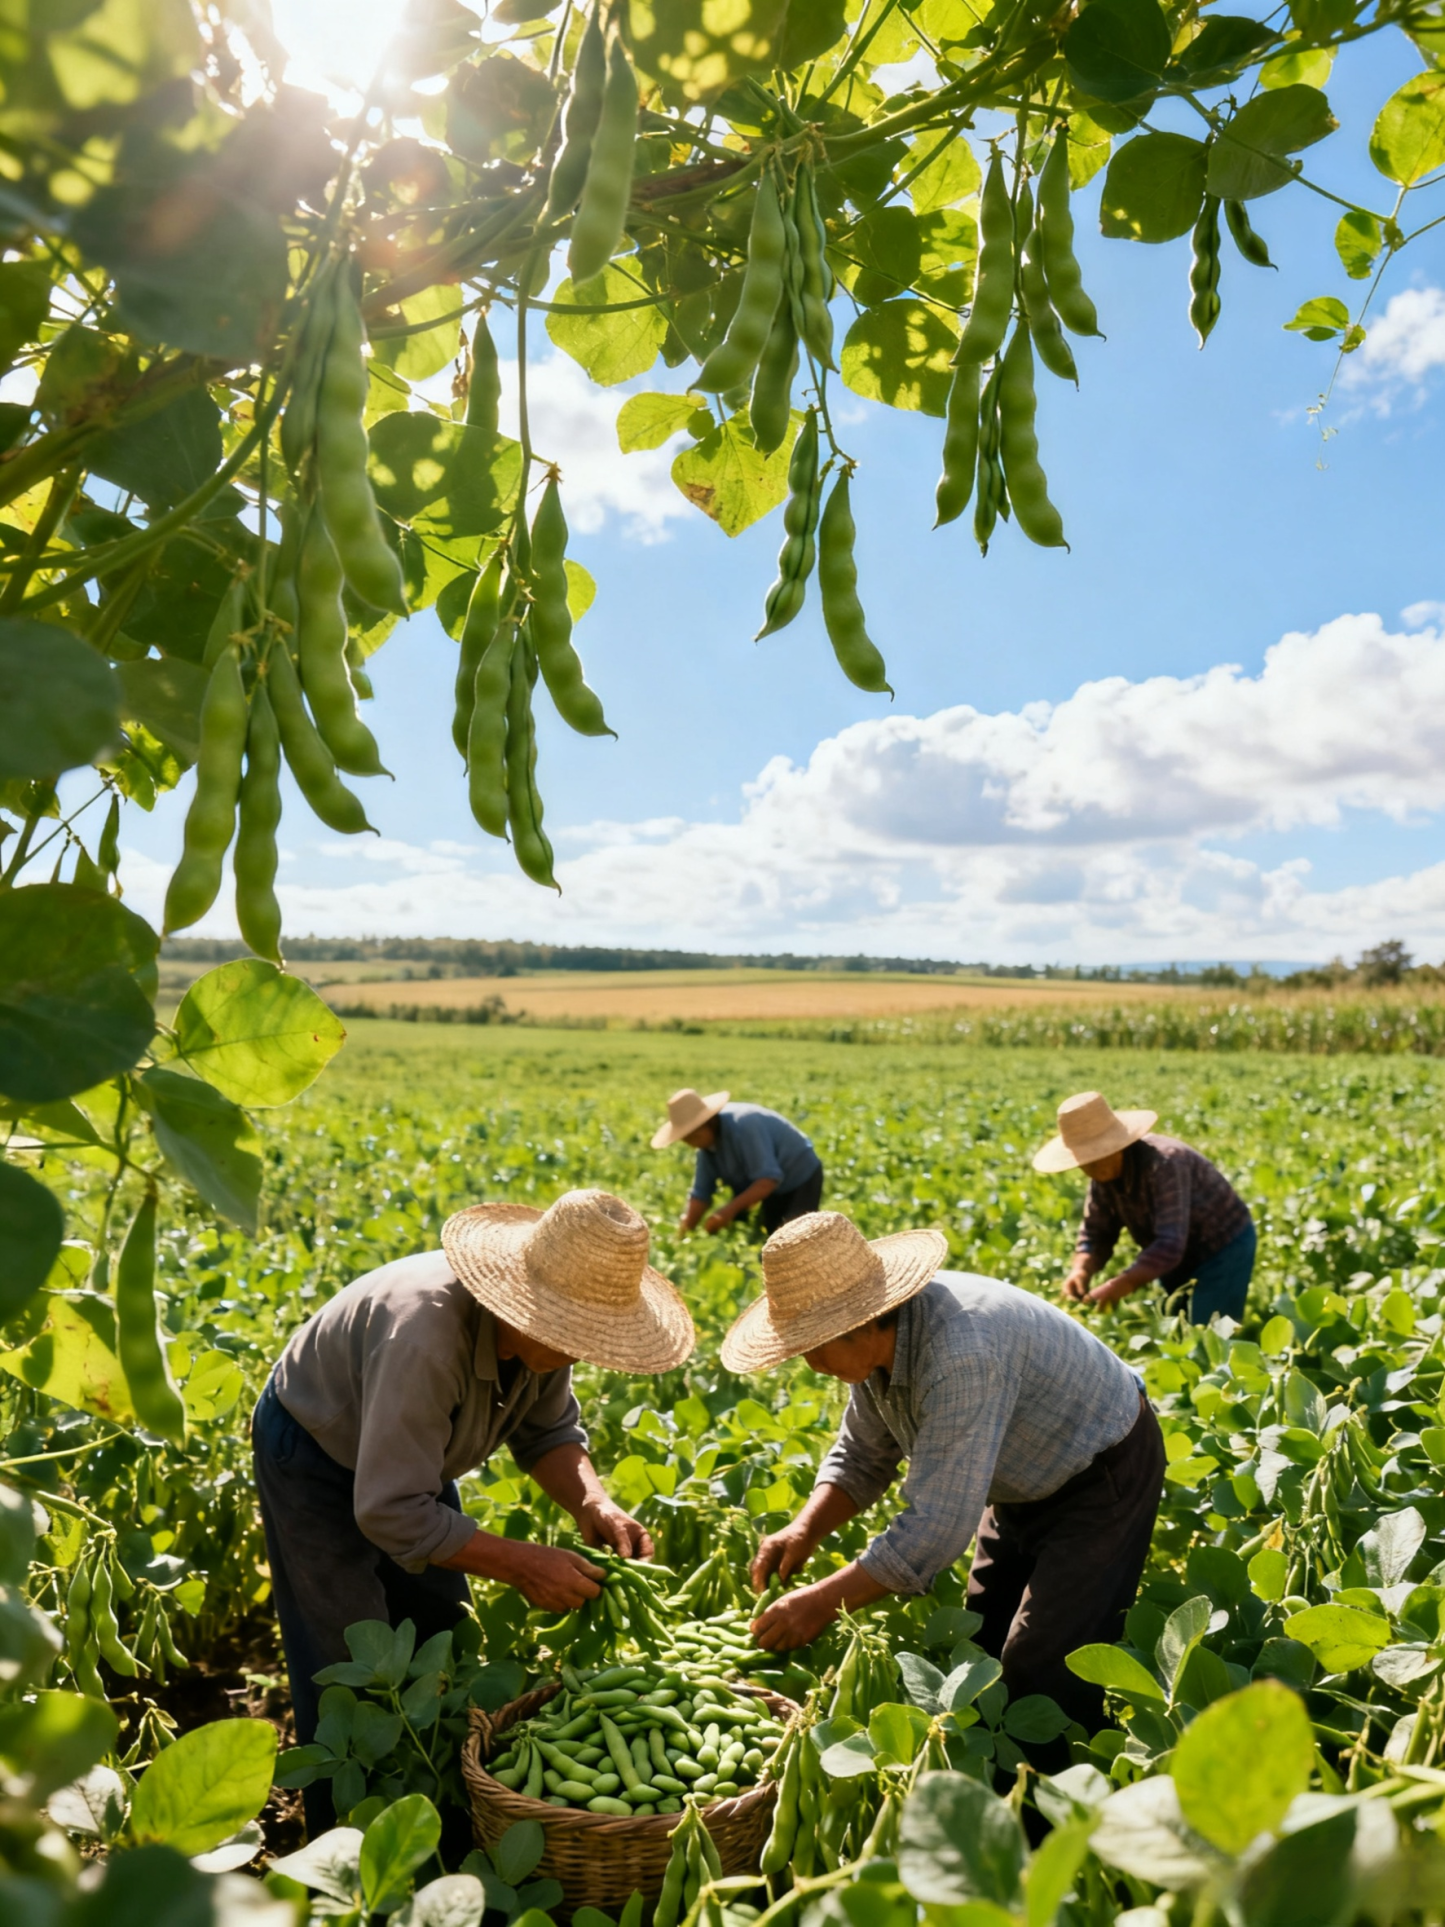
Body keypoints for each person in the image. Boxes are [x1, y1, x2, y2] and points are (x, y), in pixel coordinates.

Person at [251, 1188, 694, 1832]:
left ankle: (446, 1816)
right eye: (570, 1334)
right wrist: (522, 1564)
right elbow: (392, 1511)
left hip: (411, 1464)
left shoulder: (541, 1336)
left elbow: (548, 1433)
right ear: (522, 1306)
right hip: (316, 1445)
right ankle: (344, 1843)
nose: (579, 1351)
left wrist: (592, 1500)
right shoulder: (424, 1340)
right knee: (350, 1659)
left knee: (442, 1636)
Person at [728, 1210, 1163, 1769]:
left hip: (1101, 1475)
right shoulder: (879, 1353)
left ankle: (1052, 1804)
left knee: (1041, 1667)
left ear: (864, 1320)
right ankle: (988, 1783)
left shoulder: (963, 1351)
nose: (810, 1363)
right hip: (1018, 1476)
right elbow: (862, 1456)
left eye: (814, 1346)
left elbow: (935, 1527)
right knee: (981, 1646)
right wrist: (804, 1528)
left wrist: (822, 1603)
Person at [1034, 1091, 1256, 1326]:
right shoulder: (1102, 1180)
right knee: (1177, 1326)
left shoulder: (1166, 1163)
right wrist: (1081, 1270)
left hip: (1223, 1247)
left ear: (1117, 1146)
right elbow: (1096, 1234)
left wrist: (1121, 1285)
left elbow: (1170, 1244)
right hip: (1175, 1257)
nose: (1090, 1167)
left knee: (1212, 1331)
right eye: (1083, 1161)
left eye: (1097, 1156)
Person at [652, 1087, 823, 1236]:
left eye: (694, 1136)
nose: (691, 1144)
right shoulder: (707, 1149)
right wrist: (684, 1231)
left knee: (796, 1238)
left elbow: (768, 1180)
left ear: (709, 1122)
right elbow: (701, 1194)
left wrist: (726, 1213)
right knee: (772, 1235)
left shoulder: (744, 1126)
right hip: (770, 1186)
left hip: (800, 1175)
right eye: (686, 1139)